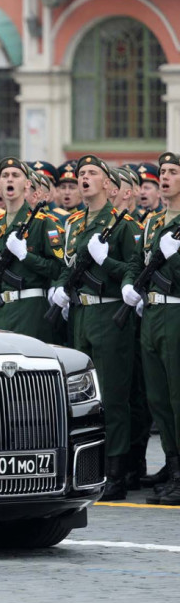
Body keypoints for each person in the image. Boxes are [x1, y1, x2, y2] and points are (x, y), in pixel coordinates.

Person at [50, 155, 140, 500]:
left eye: (92, 173)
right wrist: (60, 286)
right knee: (81, 398)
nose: (84, 178)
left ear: (108, 184)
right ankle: (89, 466)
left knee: (113, 396)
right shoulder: (73, 223)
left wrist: (107, 261)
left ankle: (116, 471)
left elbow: (132, 271)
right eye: (81, 173)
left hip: (109, 314)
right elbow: (67, 264)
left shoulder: (123, 224)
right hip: (81, 315)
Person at [121, 151, 180, 503]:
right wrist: (130, 284)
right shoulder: (152, 222)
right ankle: (173, 469)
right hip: (152, 315)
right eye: (164, 172)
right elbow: (135, 261)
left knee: (178, 397)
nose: (166, 177)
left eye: (174, 172)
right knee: (158, 398)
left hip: (176, 313)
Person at [0, 158, 65, 341]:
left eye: (15, 175)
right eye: (5, 176)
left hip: (31, 311)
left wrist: (26, 256)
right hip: (0, 311)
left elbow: (58, 268)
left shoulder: (41, 223)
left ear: (27, 184)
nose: (10, 180)